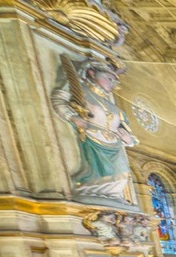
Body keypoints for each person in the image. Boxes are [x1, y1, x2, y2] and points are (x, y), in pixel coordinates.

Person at [51, 58, 139, 205]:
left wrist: (129, 140)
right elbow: (58, 99)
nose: (113, 84)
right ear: (92, 73)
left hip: (115, 146)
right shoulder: (80, 90)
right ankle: (94, 195)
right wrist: (73, 117)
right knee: (97, 177)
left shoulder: (114, 106)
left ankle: (112, 198)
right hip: (93, 140)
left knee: (122, 176)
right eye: (109, 78)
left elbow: (128, 133)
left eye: (115, 81)